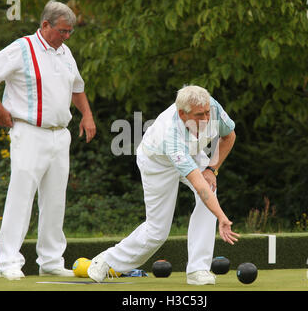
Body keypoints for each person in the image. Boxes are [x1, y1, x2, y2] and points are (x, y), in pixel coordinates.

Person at [0, 0, 96, 280]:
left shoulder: (65, 52)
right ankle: (8, 263)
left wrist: (87, 115)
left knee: (55, 200)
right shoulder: (22, 48)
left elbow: (77, 87)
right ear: (45, 25)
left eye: (69, 32)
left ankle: (51, 260)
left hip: (60, 135)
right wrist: (0, 111)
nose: (66, 36)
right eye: (62, 31)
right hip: (28, 131)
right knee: (21, 195)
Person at [88, 85, 239, 285]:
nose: (204, 119)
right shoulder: (170, 133)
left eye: (206, 113)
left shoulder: (214, 108)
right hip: (157, 162)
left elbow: (229, 136)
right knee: (157, 231)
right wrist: (222, 217)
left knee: (210, 190)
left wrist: (212, 169)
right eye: (198, 115)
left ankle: (198, 269)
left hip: (192, 153)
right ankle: (106, 260)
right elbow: (199, 185)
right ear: (182, 114)